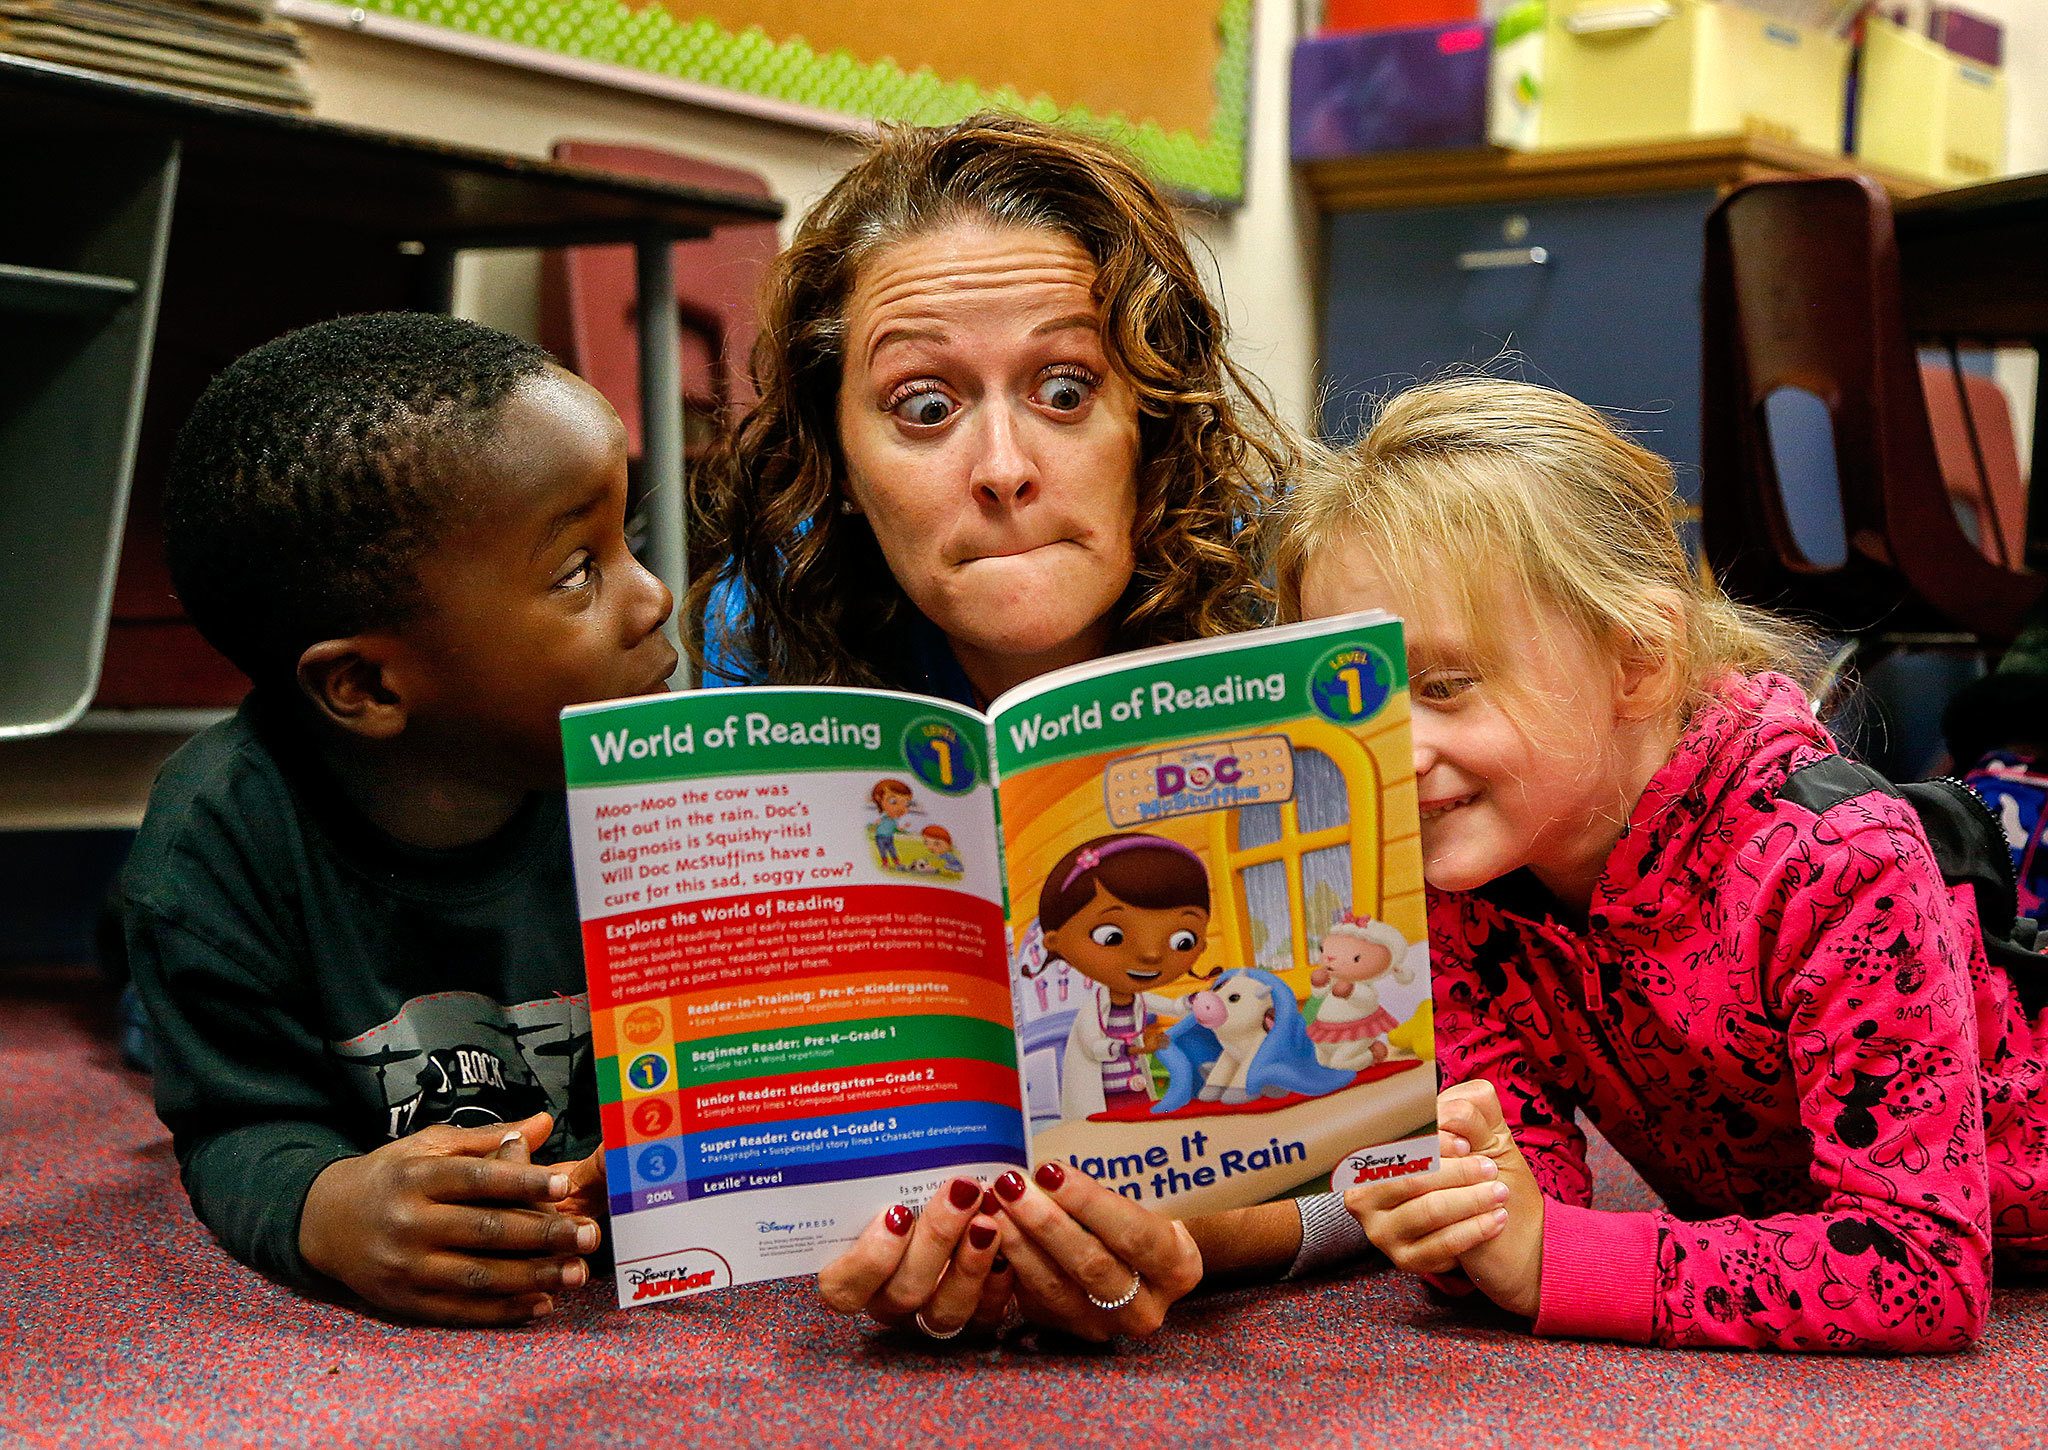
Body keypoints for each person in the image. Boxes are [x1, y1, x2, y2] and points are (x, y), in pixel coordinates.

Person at [687, 114, 1361, 1342]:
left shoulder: (1299, 608)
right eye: (923, 405)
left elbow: (1459, 1122)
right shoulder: (768, 635)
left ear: (1153, 422)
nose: (1002, 465)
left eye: (1065, 389)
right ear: (836, 457)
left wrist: (1231, 1231)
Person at [1273, 376, 2048, 1352]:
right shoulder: (1457, 877)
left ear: (1636, 661)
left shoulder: (1834, 861)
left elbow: (1919, 1268)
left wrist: (1554, 1257)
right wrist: (1455, 1218)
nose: (1389, 748)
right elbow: (1524, 1205)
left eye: (1443, 684)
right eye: (1355, 695)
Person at [122, 311, 681, 1326]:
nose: (654, 597)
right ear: (368, 684)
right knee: (144, 1002)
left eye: (628, 539)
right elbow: (237, 1123)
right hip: (265, 945)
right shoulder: (213, 842)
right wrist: (331, 1209)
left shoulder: (661, 781)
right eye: (577, 570)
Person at [1035, 833, 1210, 1118]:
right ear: (1056, 942)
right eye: (1111, 937)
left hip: (1136, 1089)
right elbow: (1094, 1046)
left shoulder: (1139, 1000)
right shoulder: (1092, 1011)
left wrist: (1195, 1001)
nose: (1151, 955)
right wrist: (1136, 1049)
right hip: (1103, 1096)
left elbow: (1173, 1007)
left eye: (1183, 940)